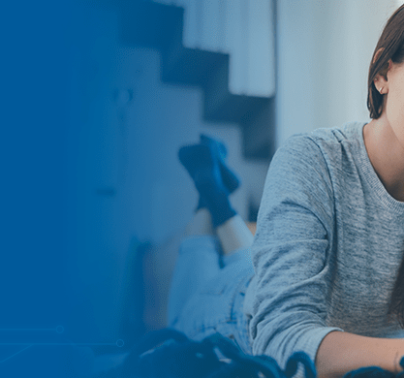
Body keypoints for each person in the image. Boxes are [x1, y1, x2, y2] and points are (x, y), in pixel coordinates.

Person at [168, 4, 404, 378]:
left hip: (266, 273)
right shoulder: (312, 159)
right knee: (178, 319)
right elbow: (279, 339)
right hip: (232, 315)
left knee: (249, 259)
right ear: (382, 74)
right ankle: (208, 198)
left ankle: (216, 196)